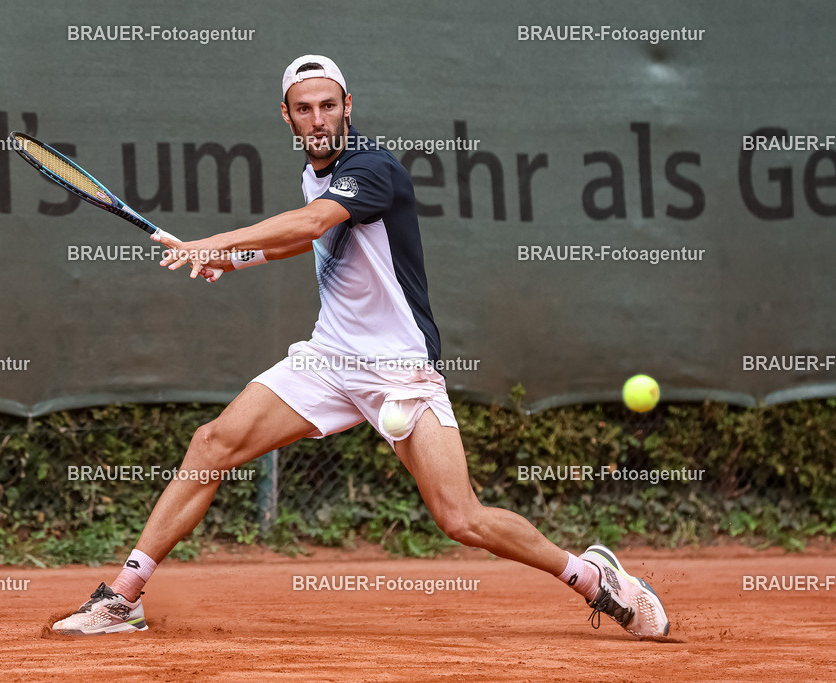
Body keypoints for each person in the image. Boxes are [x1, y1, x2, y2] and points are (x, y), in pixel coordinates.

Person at [52, 55, 670, 639]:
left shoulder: (372, 168)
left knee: (461, 518)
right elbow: (311, 235)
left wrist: (210, 242)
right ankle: (123, 599)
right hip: (329, 359)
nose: (317, 119)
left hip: (399, 370)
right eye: (303, 109)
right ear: (287, 116)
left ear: (348, 105)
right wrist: (235, 259)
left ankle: (594, 579)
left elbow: (312, 222)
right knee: (212, 443)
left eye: (328, 105)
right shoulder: (317, 174)